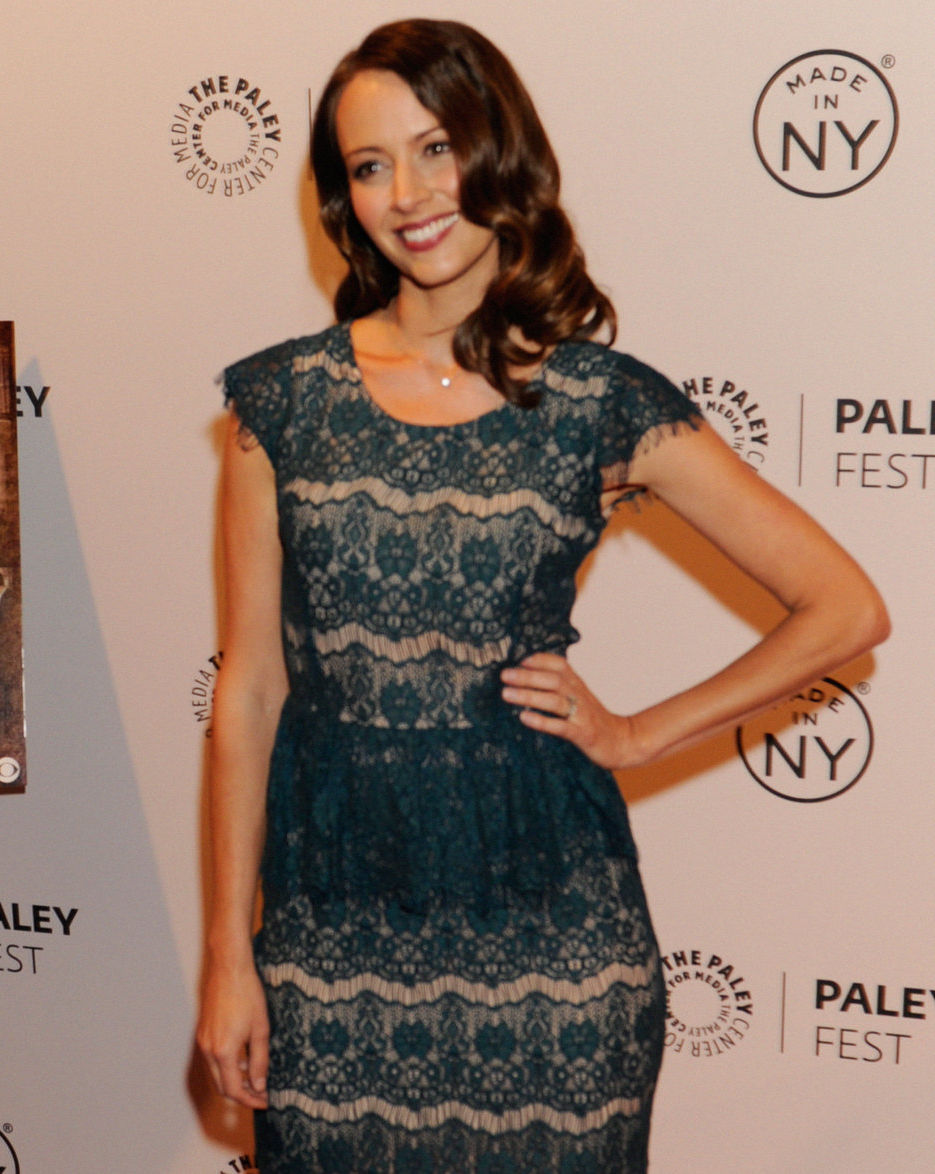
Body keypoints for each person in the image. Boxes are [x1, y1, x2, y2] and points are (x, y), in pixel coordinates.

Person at [195, 21, 890, 1173]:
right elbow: (250, 687)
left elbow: (843, 606)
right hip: (329, 934)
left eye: (435, 149)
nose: (407, 195)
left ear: (497, 154)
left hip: (552, 947)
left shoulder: (595, 401)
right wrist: (228, 952)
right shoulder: (280, 403)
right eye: (369, 166)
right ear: (342, 196)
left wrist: (634, 732)